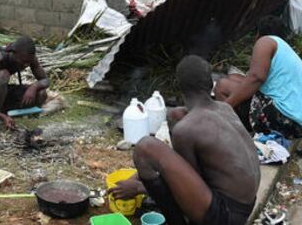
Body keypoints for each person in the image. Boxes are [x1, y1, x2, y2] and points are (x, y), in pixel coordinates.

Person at [109, 56, 260, 225]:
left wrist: (138, 188)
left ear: (178, 86)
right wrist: (137, 177)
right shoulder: (225, 108)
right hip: (245, 204)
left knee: (145, 147)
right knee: (177, 114)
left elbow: (183, 189)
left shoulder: (186, 130)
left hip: (224, 215)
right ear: (211, 85)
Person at [214, 16, 302, 139]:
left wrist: (224, 106)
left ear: (258, 33)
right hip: (300, 122)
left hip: (286, 119)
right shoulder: (284, 48)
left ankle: (229, 137)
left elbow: (256, 78)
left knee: (222, 85)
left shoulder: (265, 42)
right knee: (234, 77)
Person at [0, 36, 49, 133]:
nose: (26, 65)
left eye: (28, 62)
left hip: (4, 94)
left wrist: (34, 87)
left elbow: (46, 80)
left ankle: (3, 111)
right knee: (3, 75)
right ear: (13, 53)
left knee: (41, 93)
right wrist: (2, 117)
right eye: (23, 61)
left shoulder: (29, 58)